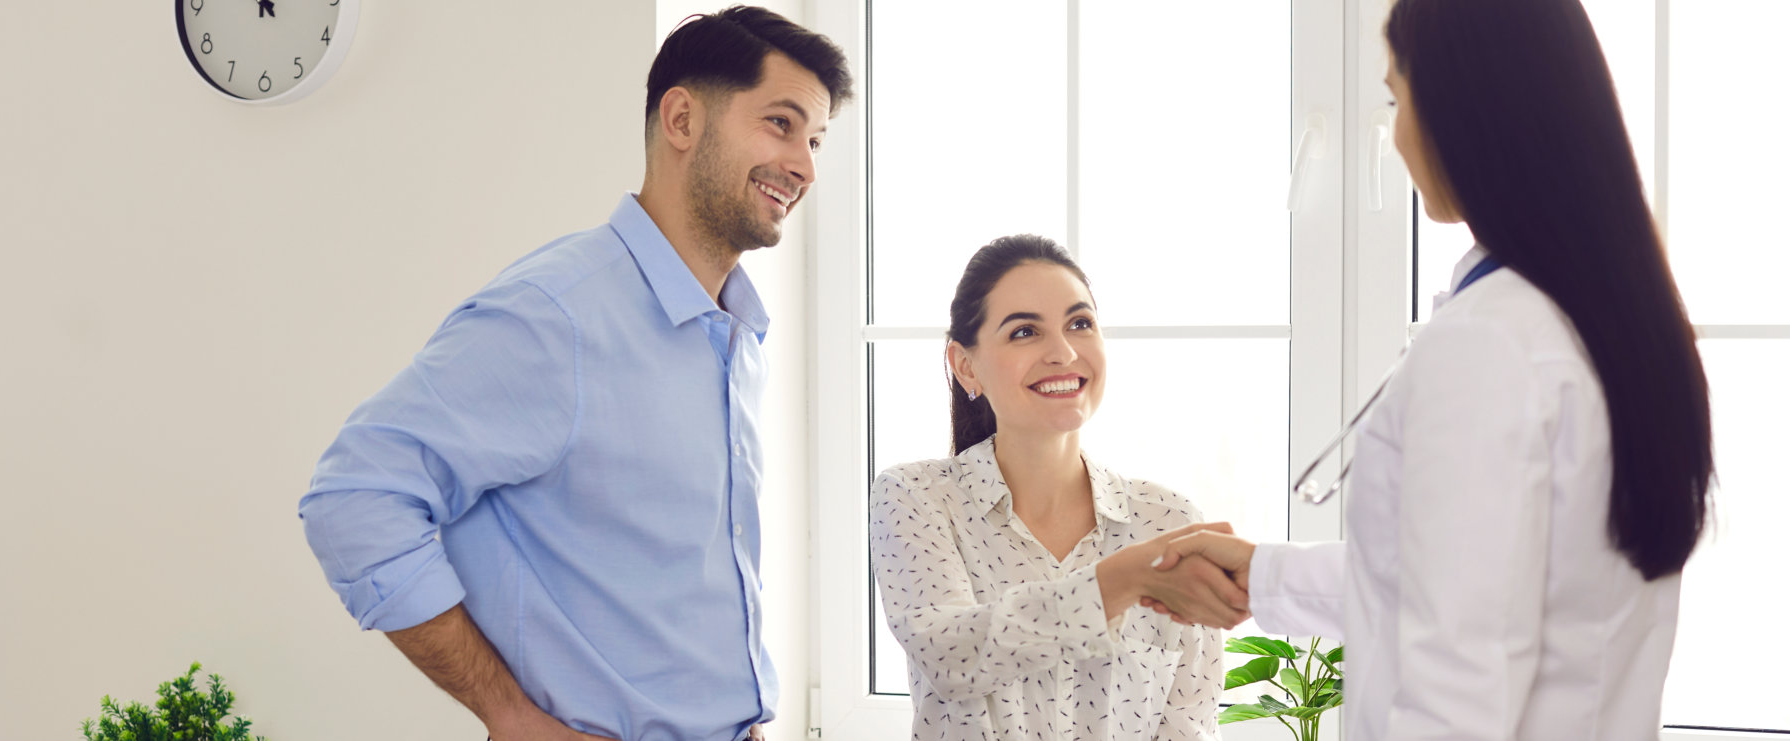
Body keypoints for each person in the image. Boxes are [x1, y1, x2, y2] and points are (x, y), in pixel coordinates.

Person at [1150, 1, 1715, 739]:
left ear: (1465, 109)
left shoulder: (1489, 343)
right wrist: (1260, 575)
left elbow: (1454, 686)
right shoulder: (1609, 320)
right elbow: (1467, 589)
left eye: (1396, 97)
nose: (1395, 134)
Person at [296, 8, 851, 741]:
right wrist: (508, 714)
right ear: (681, 118)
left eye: (814, 140)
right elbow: (352, 496)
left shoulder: (735, 334)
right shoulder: (556, 315)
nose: (806, 166)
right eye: (781, 125)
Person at [870, 234, 1248, 740]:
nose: (1064, 352)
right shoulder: (916, 497)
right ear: (965, 365)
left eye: (1080, 323)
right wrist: (1123, 580)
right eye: (1025, 332)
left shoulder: (1168, 519)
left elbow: (1190, 721)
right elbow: (953, 657)